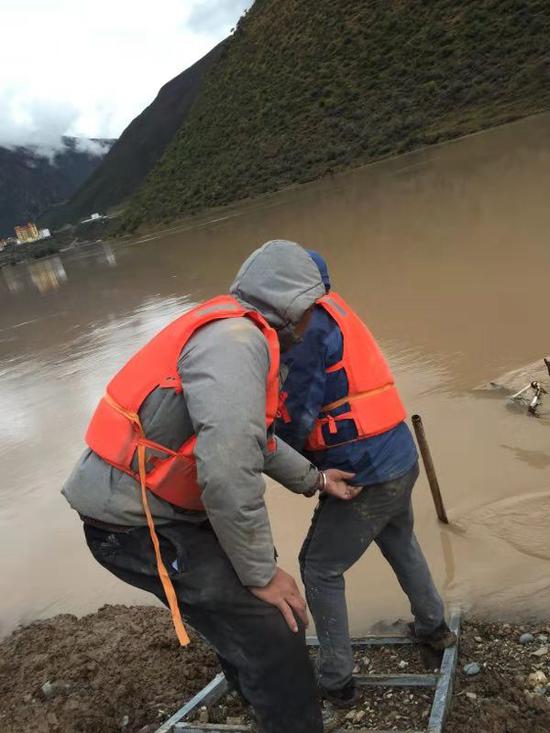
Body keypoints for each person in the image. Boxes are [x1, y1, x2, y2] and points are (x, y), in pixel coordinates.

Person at [62, 240, 359, 733]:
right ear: (290, 307)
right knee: (275, 624)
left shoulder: (236, 332)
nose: (313, 326)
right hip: (133, 524)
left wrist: (315, 479)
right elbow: (225, 470)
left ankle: (257, 697)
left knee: (238, 612)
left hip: (153, 509)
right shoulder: (237, 344)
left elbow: (249, 440)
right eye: (311, 311)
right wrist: (262, 574)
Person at [276, 250, 456, 709]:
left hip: (363, 473)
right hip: (398, 457)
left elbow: (298, 413)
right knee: (399, 539)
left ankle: (337, 681)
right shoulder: (337, 309)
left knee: (320, 566)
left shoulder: (310, 332)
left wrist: (279, 455)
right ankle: (434, 627)